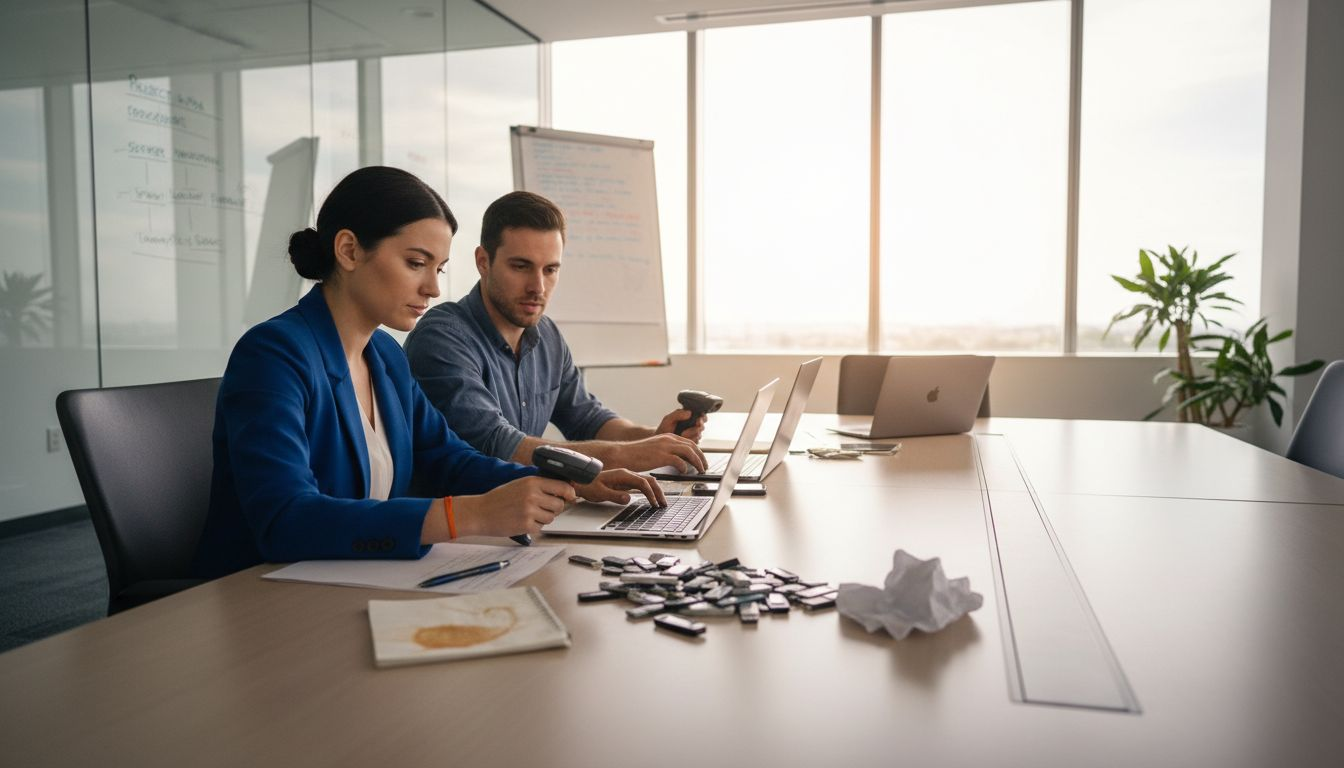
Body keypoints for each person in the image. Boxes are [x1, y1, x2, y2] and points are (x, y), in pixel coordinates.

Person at [193, 168, 662, 579]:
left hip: (343, 583)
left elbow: (449, 458)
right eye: (416, 263)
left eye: (438, 268)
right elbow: (285, 520)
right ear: (349, 250)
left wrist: (573, 483)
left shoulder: (384, 355)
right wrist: (467, 516)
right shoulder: (274, 355)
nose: (434, 287)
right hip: (257, 599)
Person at [403, 191, 708, 474]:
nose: (538, 287)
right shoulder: (442, 339)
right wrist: (628, 455)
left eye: (550, 270)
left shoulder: (545, 335)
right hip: (463, 524)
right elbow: (496, 445)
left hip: (525, 515)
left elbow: (588, 419)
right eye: (521, 267)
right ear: (484, 262)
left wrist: (655, 438)